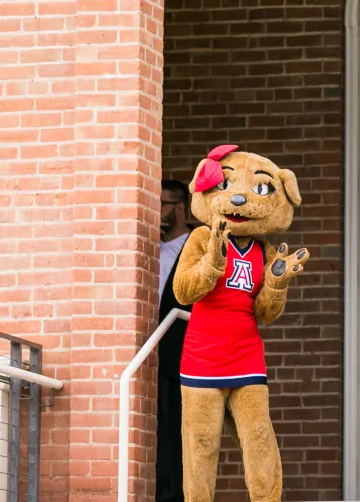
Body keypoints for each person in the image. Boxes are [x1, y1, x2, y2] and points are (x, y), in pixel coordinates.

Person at [156, 179, 192, 502]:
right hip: (147, 357)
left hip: (181, 358)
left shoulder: (198, 244)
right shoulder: (146, 246)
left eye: (163, 204)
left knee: (175, 441)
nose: (156, 212)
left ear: (180, 208)